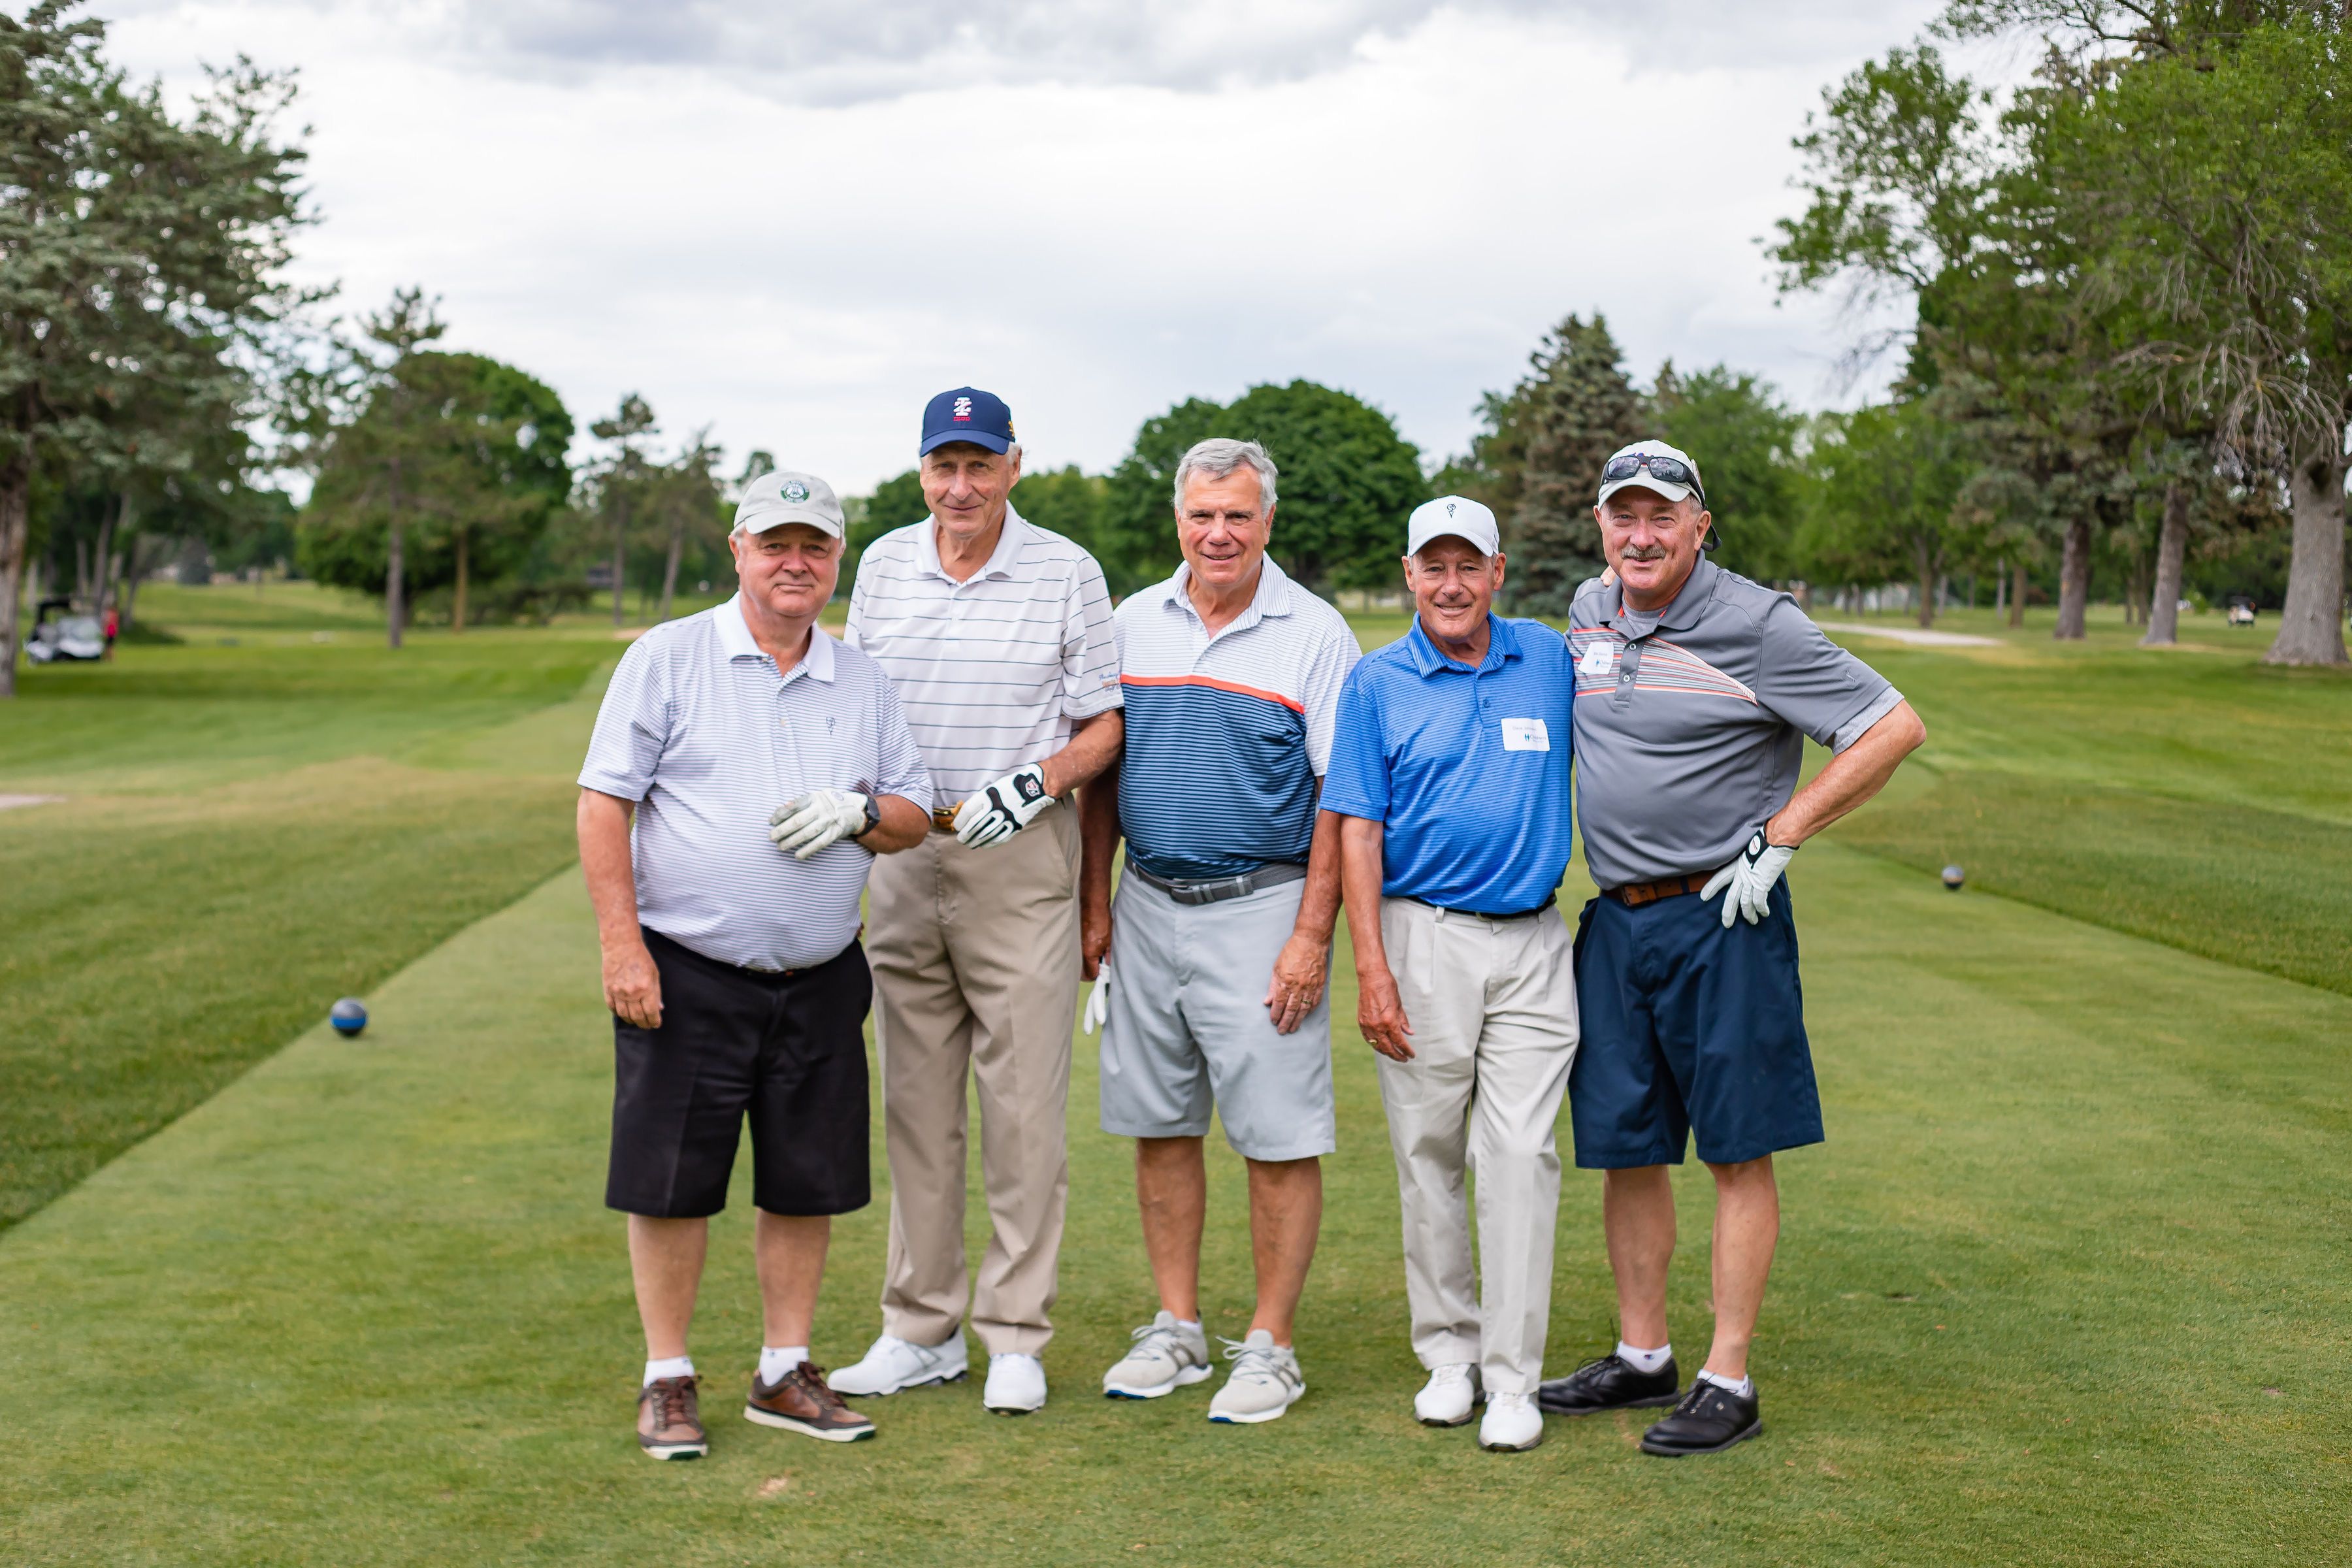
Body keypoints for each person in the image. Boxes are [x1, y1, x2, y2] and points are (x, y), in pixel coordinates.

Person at [1537, 439, 1925, 1456]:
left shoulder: (1760, 623)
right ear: (1602, 526)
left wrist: (1783, 835)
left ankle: (1728, 1376)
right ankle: (1644, 1354)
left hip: (1724, 917)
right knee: (1629, 1147)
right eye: (1624, 515)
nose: (1642, 534)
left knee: (1736, 1149)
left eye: (1662, 515)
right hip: (1616, 922)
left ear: (1700, 525)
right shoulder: (1589, 612)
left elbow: (1892, 725)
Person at [576, 469, 934, 1461]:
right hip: (688, 969)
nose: (795, 562)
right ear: (737, 549)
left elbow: (913, 811)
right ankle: (667, 1378)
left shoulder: (860, 678)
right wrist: (623, 945)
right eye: (776, 543)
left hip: (819, 976)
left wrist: (864, 813)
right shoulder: (670, 657)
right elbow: (605, 803)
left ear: (836, 562)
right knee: (671, 1183)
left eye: (815, 547)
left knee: (806, 1183)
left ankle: (784, 1370)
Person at [829, 387, 1124, 1416]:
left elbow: (1103, 728)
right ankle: (921, 1329)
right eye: (944, 467)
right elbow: (856, 704)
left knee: (1024, 1111)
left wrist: (1040, 780)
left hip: (1020, 856)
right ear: (923, 472)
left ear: (1011, 466)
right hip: (904, 854)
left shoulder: (1066, 570)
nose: (962, 486)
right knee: (914, 1107)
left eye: (979, 465)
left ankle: (1013, 1334)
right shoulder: (881, 566)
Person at [1080, 437, 1360, 1426]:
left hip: (1266, 906)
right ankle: (1178, 1327)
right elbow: (1103, 776)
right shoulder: (1128, 624)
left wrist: (1312, 933)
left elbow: (1341, 796)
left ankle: (1271, 1345)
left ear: (1267, 521)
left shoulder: (1316, 634)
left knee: (1277, 1139)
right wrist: (1094, 902)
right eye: (1203, 514)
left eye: (1238, 514)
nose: (1219, 533)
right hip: (1148, 904)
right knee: (1160, 1127)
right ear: (1177, 520)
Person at [1320, 495, 1578, 1454]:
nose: (1452, 584)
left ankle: (1514, 1379)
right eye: (1434, 566)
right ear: (1409, 574)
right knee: (1429, 1154)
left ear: (1498, 573)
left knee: (1519, 1156)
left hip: (1535, 945)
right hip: (1421, 936)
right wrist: (1371, 969)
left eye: (1469, 565)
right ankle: (1448, 1355)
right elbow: (1357, 827)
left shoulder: (1547, 659)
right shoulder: (1378, 681)